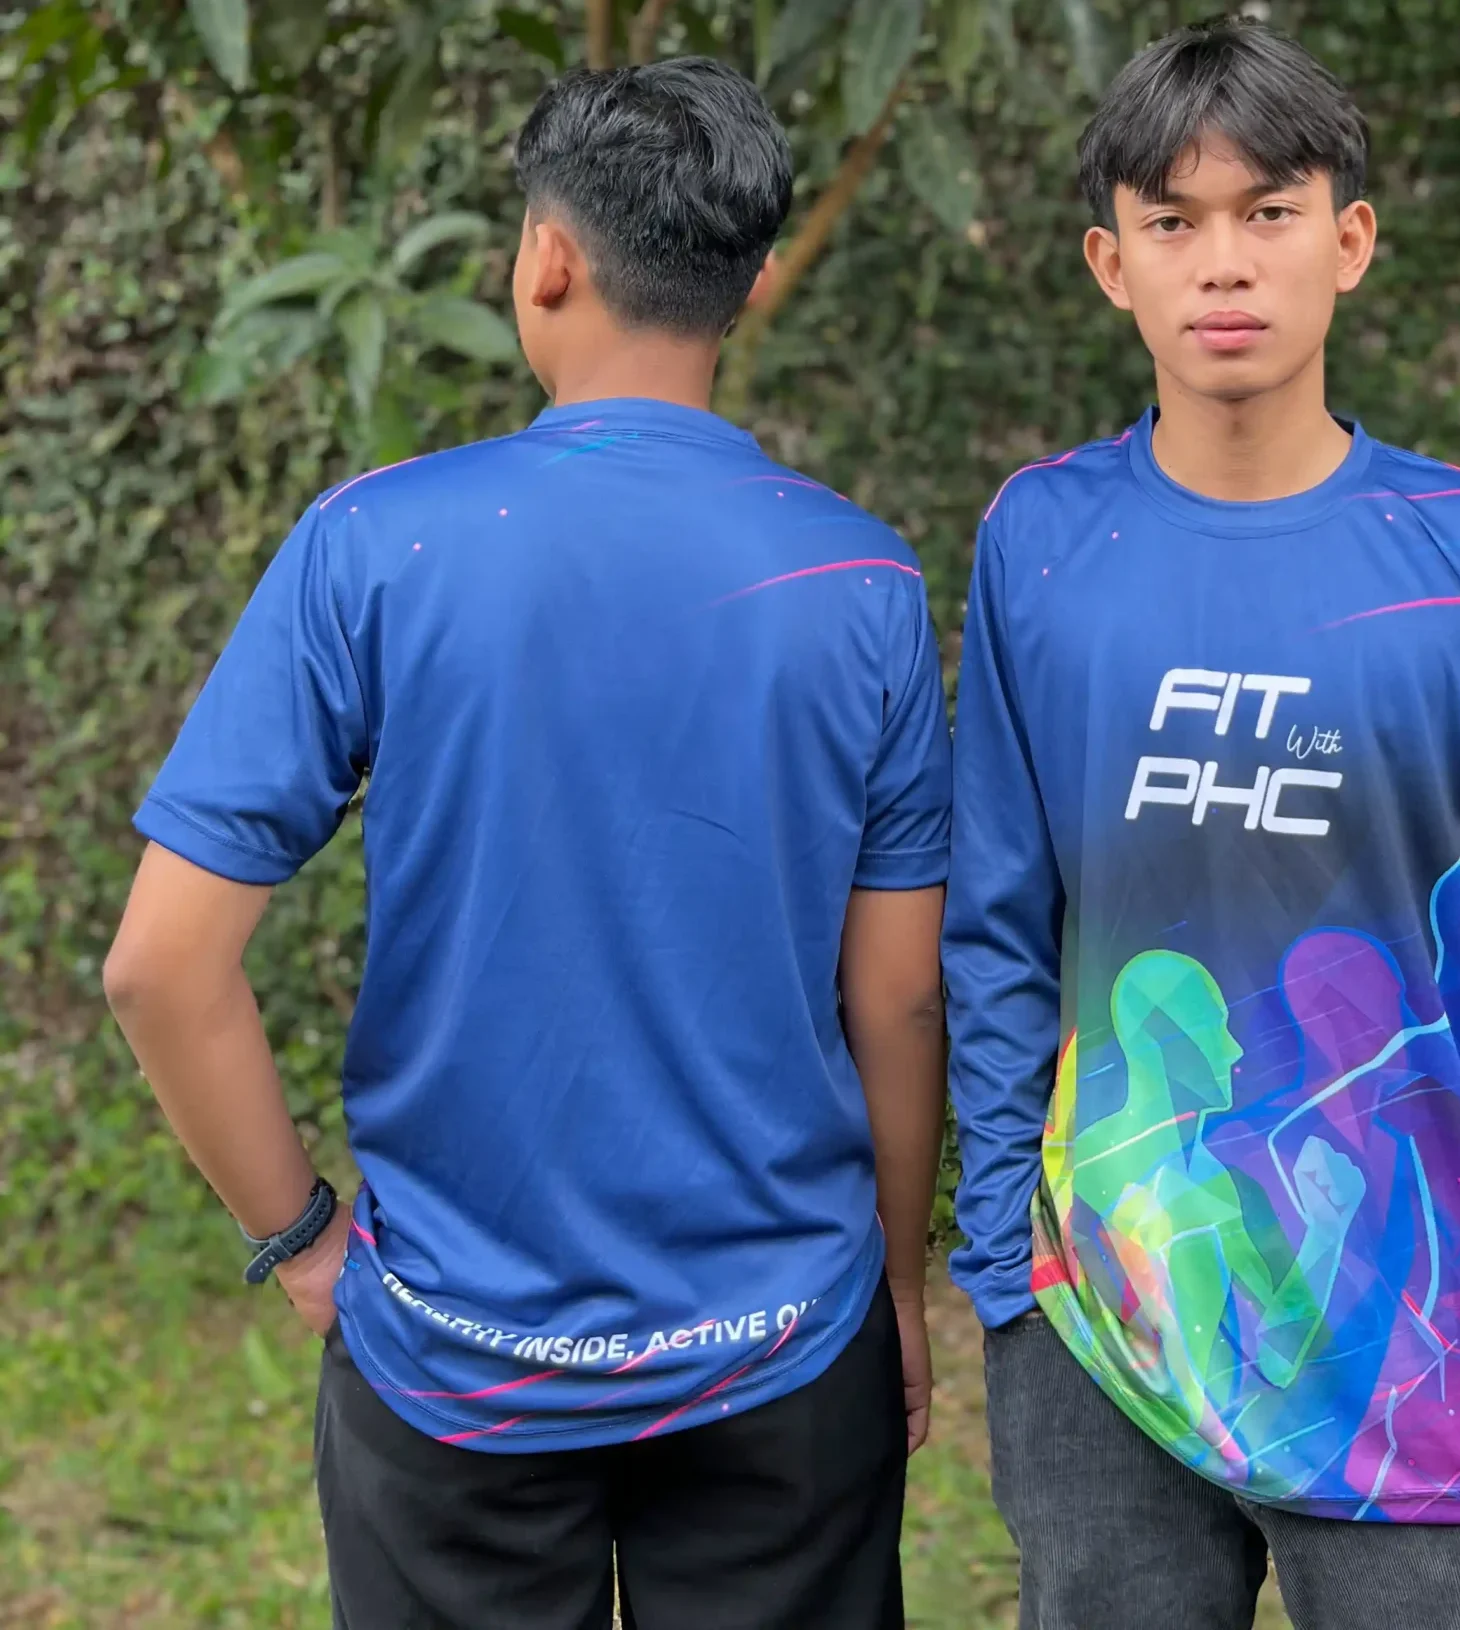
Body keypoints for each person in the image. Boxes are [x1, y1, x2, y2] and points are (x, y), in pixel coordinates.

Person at [104, 59, 950, 1630]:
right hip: (783, 1350)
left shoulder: (375, 546)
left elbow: (160, 966)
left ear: (545, 258)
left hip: (455, 1360)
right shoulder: (865, 583)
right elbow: (898, 997)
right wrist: (896, 1286)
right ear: (754, 279)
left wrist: (302, 1240)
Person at [943, 19, 1460, 1630]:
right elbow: (993, 927)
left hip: (1420, 1350)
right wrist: (1005, 1267)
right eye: (1172, 220)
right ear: (1110, 263)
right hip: (1103, 1326)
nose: (1224, 261)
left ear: (1350, 241)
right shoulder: (1041, 542)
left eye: (1269, 211)